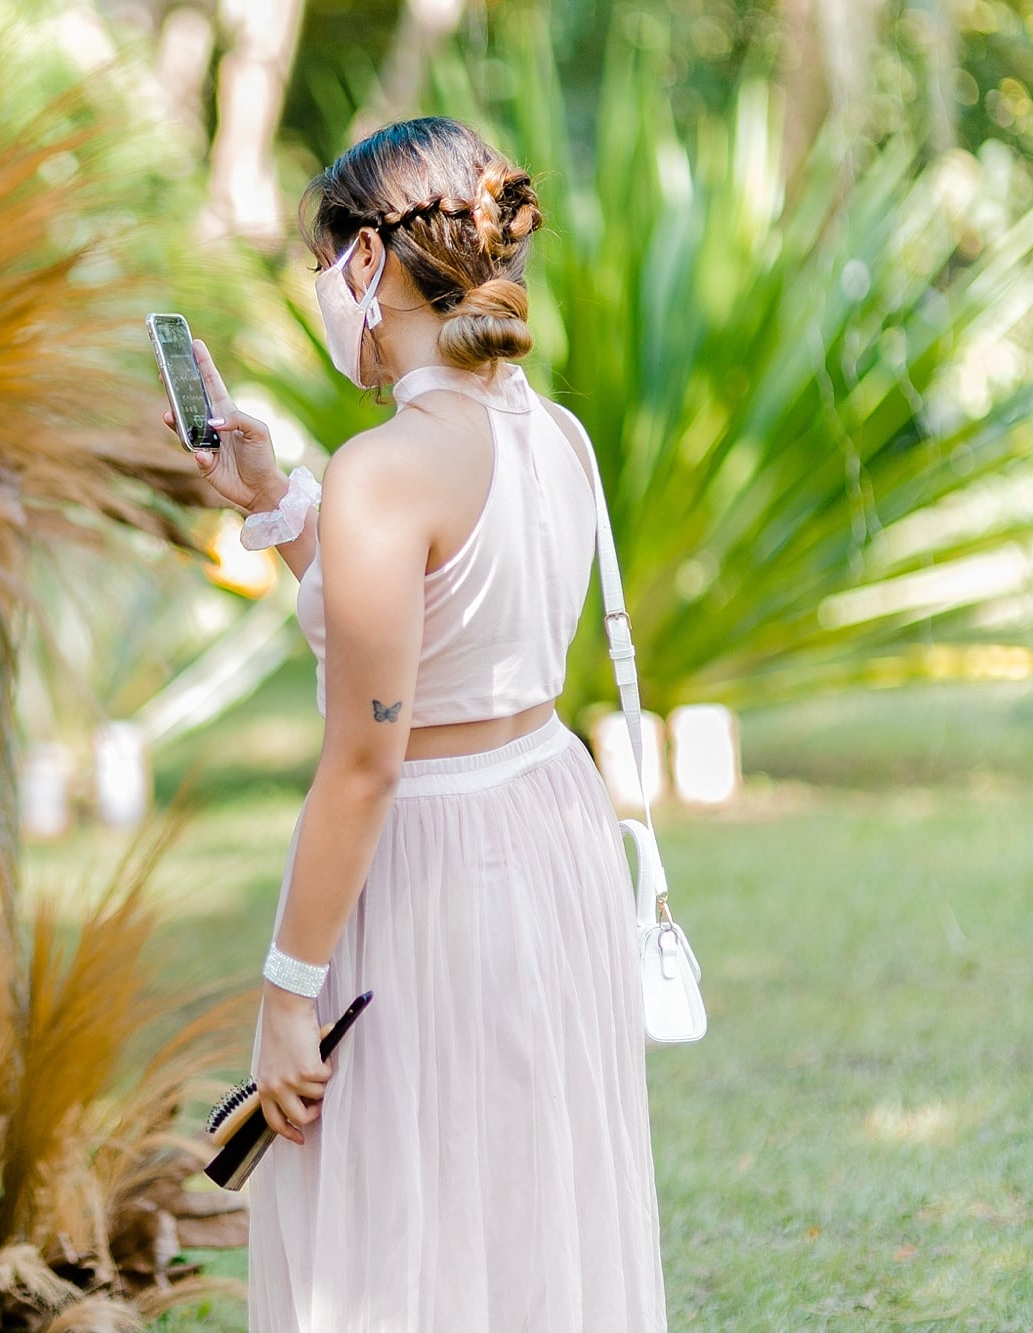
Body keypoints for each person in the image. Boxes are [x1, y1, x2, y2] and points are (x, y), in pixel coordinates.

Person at [176, 117, 668, 1330]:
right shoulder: (553, 435)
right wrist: (275, 500)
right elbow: (439, 643)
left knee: (406, 1213)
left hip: (430, 865)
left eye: (321, 260)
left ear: (366, 265)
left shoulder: (387, 469)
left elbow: (362, 761)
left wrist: (286, 993)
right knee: (522, 1201)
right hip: (546, 832)